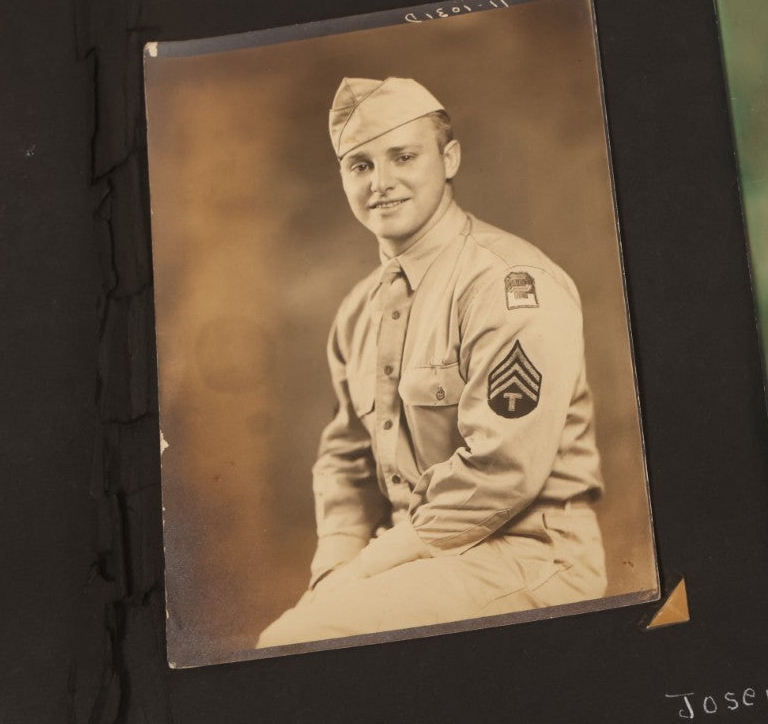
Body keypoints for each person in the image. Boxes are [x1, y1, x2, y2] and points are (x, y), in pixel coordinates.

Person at [257, 76, 607, 649]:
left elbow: (501, 473)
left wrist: (365, 570)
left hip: (531, 555)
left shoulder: (508, 284)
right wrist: (332, 571)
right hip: (421, 556)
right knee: (301, 633)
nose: (382, 183)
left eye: (403, 156)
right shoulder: (358, 310)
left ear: (449, 159)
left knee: (292, 645)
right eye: (360, 165)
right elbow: (344, 460)